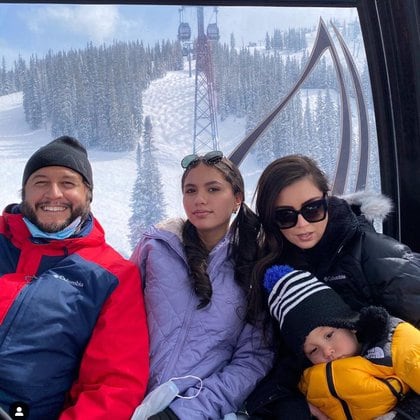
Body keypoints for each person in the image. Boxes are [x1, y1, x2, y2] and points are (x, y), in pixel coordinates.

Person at [246, 154, 420, 418]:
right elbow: (285, 360)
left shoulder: (376, 257)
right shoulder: (279, 275)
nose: (302, 224)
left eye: (312, 209)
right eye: (285, 216)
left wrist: (401, 414)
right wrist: (292, 408)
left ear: (326, 199)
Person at [0, 136, 149, 419]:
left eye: (68, 183)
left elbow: (114, 386)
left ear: (88, 195)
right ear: (24, 191)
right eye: (40, 182)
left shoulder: (111, 276)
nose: (53, 194)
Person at [130, 150, 274, 419]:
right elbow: (117, 321)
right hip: (128, 396)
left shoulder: (253, 264)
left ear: (237, 199)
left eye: (213, 189)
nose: (199, 200)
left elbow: (252, 360)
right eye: (190, 190)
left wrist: (183, 412)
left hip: (194, 408)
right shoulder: (156, 247)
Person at [264, 264, 420, 420]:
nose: (327, 352)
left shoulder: (393, 340)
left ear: (349, 325)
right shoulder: (306, 376)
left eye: (329, 335)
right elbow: (274, 393)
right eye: (313, 350)